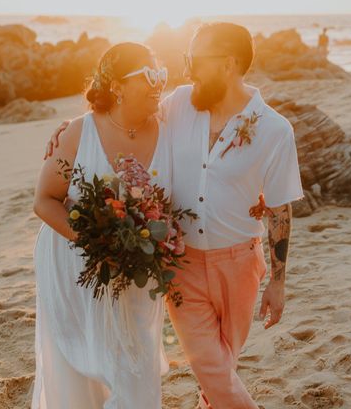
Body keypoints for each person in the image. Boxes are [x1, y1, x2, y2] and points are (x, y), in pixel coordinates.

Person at [46, 22, 304, 409]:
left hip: (241, 264)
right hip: (180, 263)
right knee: (212, 369)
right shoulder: (178, 104)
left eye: (194, 60)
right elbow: (122, 115)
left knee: (221, 369)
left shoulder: (274, 130)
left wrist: (278, 283)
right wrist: (75, 127)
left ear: (228, 64)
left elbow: (280, 211)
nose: (186, 70)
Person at [32, 42, 171, 408]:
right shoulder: (79, 133)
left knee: (136, 369)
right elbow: (44, 201)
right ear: (118, 86)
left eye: (162, 74)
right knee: (76, 368)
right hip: (72, 263)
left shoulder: (169, 126)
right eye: (149, 75)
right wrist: (98, 245)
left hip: (137, 267)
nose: (158, 84)